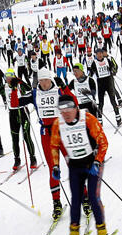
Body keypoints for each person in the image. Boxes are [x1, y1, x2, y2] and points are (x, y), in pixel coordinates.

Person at [49, 95, 109, 235]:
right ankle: (74, 233)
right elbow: (54, 145)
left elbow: (103, 142)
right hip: (75, 165)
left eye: (69, 108)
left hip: (92, 163)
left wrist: (97, 161)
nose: (66, 113)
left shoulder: (87, 119)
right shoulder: (58, 123)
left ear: (76, 107)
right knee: (75, 199)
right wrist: (55, 166)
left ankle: (102, 231)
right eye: (62, 110)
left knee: (94, 197)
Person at [28, 68, 78, 219]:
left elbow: (74, 103)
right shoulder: (35, 93)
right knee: (53, 170)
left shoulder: (58, 91)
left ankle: (85, 199)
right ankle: (56, 203)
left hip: (62, 133)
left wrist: (64, 87)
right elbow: (15, 103)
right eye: (41, 80)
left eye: (46, 80)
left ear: (51, 80)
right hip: (47, 136)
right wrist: (14, 86)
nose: (44, 83)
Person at [4, 69, 38, 171]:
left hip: (23, 111)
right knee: (14, 137)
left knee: (27, 136)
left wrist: (20, 81)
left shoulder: (19, 84)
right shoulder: (5, 86)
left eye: (10, 77)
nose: (9, 79)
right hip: (12, 113)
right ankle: (17, 159)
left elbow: (29, 88)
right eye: (7, 78)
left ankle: (32, 158)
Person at [89, 47, 122, 126]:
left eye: (100, 53)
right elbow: (90, 73)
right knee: (101, 103)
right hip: (100, 83)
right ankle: (100, 121)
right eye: (97, 54)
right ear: (96, 55)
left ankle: (118, 118)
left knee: (113, 101)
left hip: (109, 82)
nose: (99, 55)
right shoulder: (94, 63)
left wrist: (112, 70)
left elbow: (113, 69)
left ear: (102, 54)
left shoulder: (107, 60)